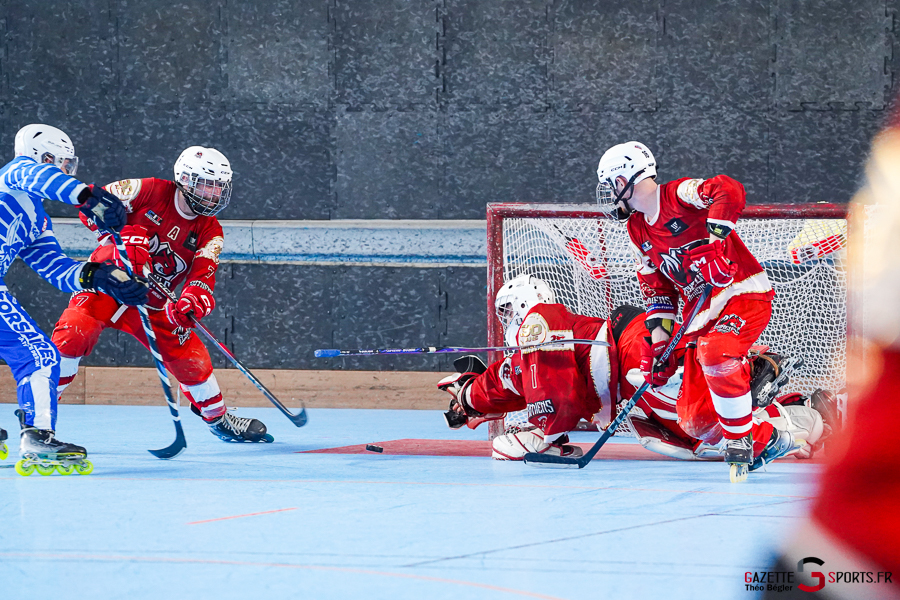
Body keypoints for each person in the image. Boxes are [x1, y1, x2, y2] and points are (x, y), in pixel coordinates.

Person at [438, 274, 831, 465]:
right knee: (688, 445)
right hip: (628, 387)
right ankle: (796, 409)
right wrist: (467, 398)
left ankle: (764, 393)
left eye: (508, 310)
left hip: (632, 350)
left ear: (526, 303)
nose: (506, 319)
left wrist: (542, 434)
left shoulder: (540, 321)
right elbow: (503, 381)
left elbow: (560, 396)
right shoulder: (527, 356)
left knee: (700, 421)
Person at [593, 141, 792, 482]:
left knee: (716, 351)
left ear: (625, 178)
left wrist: (715, 241)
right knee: (694, 421)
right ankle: (768, 441)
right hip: (700, 315)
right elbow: (659, 294)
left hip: (742, 293)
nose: (610, 193)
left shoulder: (679, 195)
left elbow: (727, 189)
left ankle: (754, 382)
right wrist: (659, 345)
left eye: (610, 183)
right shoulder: (637, 229)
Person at [50, 146, 272, 443]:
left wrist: (192, 300)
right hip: (109, 284)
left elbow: (203, 274)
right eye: (206, 185)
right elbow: (92, 205)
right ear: (183, 178)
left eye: (219, 188)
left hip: (155, 302)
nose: (212, 195)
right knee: (74, 333)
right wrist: (121, 238)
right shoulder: (147, 189)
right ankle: (40, 415)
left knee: (193, 362)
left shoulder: (211, 230)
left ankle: (218, 420)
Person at [1, 123, 147, 475]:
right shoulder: (14, 176)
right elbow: (41, 179)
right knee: (39, 356)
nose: (67, 170)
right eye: (64, 163)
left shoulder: (36, 218)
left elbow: (55, 268)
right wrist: (89, 196)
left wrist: (101, 278)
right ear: (44, 157)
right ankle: (38, 437)